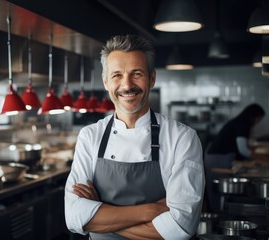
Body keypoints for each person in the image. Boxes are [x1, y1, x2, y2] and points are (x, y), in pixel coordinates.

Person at [64, 35, 205, 240]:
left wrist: (100, 216)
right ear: (106, 82)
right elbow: (73, 218)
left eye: (136, 73)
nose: (127, 85)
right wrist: (149, 211)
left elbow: (179, 229)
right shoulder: (90, 136)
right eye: (117, 75)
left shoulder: (182, 138)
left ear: (152, 78)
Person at [204, 103, 265, 212]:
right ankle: (218, 219)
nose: (258, 122)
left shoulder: (240, 122)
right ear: (254, 117)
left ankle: (219, 214)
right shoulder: (243, 124)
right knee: (217, 193)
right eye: (259, 119)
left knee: (218, 194)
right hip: (217, 159)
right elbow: (243, 150)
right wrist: (262, 159)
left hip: (217, 157)